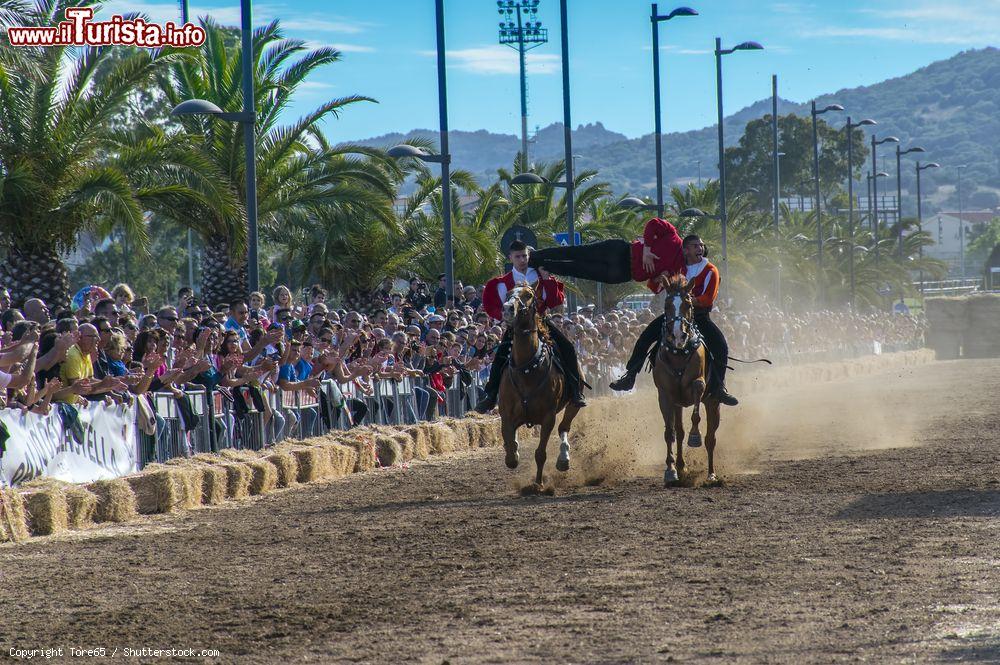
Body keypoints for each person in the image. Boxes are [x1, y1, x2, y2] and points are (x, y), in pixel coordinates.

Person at [609, 234, 738, 406]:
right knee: (645, 337)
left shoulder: (710, 270)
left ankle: (719, 387)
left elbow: (708, 297)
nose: (699, 248)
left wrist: (689, 301)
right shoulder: (677, 268)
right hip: (675, 315)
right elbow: (655, 287)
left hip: (699, 316)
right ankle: (630, 376)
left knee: (720, 345)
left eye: (700, 245)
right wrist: (658, 277)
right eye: (694, 245)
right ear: (685, 250)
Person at [475, 240, 586, 413]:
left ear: (529, 255)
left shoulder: (541, 276)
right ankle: (490, 396)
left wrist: (547, 278)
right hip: (516, 328)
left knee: (568, 348)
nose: (522, 260)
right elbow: (490, 306)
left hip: (542, 322)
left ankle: (575, 390)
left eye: (524, 256)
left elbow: (556, 301)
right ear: (510, 257)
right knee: (500, 357)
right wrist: (504, 317)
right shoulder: (501, 283)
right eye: (517, 256)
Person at [529, 216, 685, 291]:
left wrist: (660, 279)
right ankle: (535, 255)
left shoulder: (681, 272)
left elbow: (654, 287)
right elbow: (653, 224)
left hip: (622, 273)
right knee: (576, 252)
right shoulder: (673, 236)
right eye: (697, 247)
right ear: (689, 245)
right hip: (621, 251)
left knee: (577, 270)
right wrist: (647, 249)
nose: (696, 252)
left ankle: (537, 264)